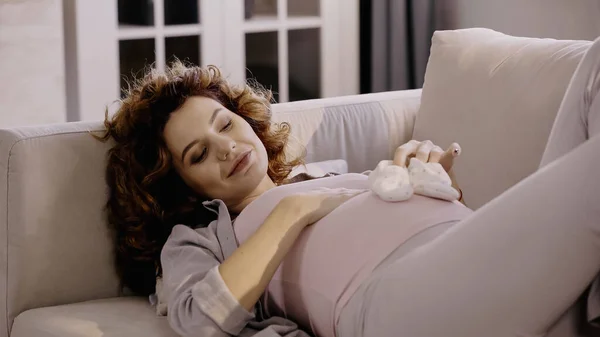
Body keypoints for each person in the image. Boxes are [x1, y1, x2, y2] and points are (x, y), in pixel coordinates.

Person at [100, 36, 600, 337]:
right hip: (391, 301)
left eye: (224, 124)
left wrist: (428, 180)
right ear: (180, 186)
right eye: (199, 154)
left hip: (467, 258)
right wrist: (288, 214)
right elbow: (198, 321)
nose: (226, 147)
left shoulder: (327, 174)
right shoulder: (203, 236)